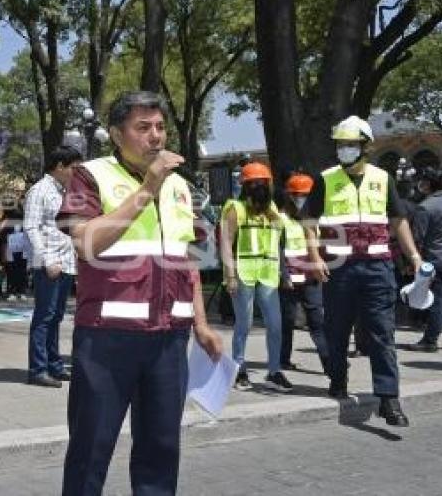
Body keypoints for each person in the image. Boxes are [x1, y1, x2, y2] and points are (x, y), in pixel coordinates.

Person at [59, 91, 223, 495]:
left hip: (169, 339)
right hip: (107, 337)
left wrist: (201, 325)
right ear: (116, 134)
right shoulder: (90, 175)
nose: (156, 136)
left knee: (161, 450)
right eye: (142, 128)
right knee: (91, 449)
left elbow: (187, 260)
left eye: (161, 127)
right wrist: (148, 188)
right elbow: (87, 243)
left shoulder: (181, 187)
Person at [304, 115, 423, 426]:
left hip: (377, 266)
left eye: (350, 144)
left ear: (365, 147)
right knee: (337, 329)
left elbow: (398, 220)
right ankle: (338, 380)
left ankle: (388, 399)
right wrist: (314, 257)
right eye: (341, 145)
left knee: (382, 332)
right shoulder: (326, 179)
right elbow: (309, 221)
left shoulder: (383, 179)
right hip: (339, 268)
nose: (344, 149)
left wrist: (414, 256)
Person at [220, 162, 292, 392]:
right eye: (254, 183)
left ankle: (274, 371)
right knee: (244, 324)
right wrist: (230, 275)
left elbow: (278, 244)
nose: (259, 186)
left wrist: (284, 272)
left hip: (268, 275)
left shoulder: (272, 211)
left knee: (275, 325)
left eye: (263, 182)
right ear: (245, 186)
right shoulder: (236, 208)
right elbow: (225, 243)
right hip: (243, 274)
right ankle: (239, 369)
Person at [24, 145, 82, 388]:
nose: (76, 174)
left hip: (65, 263)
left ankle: (54, 365)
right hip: (49, 263)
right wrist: (47, 259)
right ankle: (38, 369)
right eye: (74, 168)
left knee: (56, 316)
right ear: (60, 166)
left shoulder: (63, 191)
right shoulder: (40, 190)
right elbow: (31, 227)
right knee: (44, 317)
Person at [278, 173, 329, 374]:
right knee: (286, 322)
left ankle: (329, 363)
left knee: (317, 322)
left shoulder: (316, 218)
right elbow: (278, 250)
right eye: (296, 195)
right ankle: (283, 360)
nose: (301, 199)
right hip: (288, 278)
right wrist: (283, 275)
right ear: (289, 195)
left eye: (305, 195)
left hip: (311, 278)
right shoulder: (280, 219)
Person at [405, 167, 442, 352]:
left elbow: (417, 239)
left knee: (437, 301)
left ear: (429, 184)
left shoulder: (426, 207)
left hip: (437, 260)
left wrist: (411, 263)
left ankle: (430, 340)